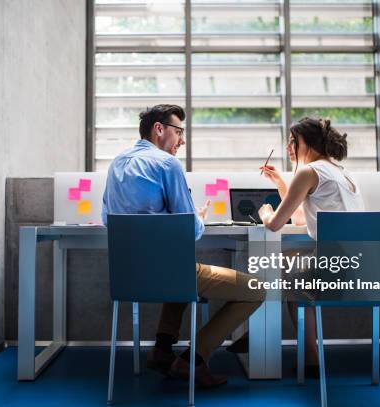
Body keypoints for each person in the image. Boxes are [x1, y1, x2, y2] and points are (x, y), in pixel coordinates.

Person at [101, 104, 266, 389]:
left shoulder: (116, 163)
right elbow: (189, 231)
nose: (182, 140)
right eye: (179, 132)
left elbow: (107, 220)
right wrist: (198, 219)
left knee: (177, 266)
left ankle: (162, 351)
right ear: (159, 129)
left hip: (127, 276)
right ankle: (193, 361)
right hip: (167, 273)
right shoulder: (167, 164)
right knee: (256, 290)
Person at [259, 116, 365, 376]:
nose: (288, 148)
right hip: (362, 267)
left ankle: (306, 355)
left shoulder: (309, 171)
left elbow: (275, 225)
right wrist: (283, 185)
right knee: (293, 268)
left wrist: (265, 213)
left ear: (304, 142)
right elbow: (300, 219)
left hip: (337, 269)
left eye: (292, 142)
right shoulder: (341, 172)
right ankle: (263, 338)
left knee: (285, 274)